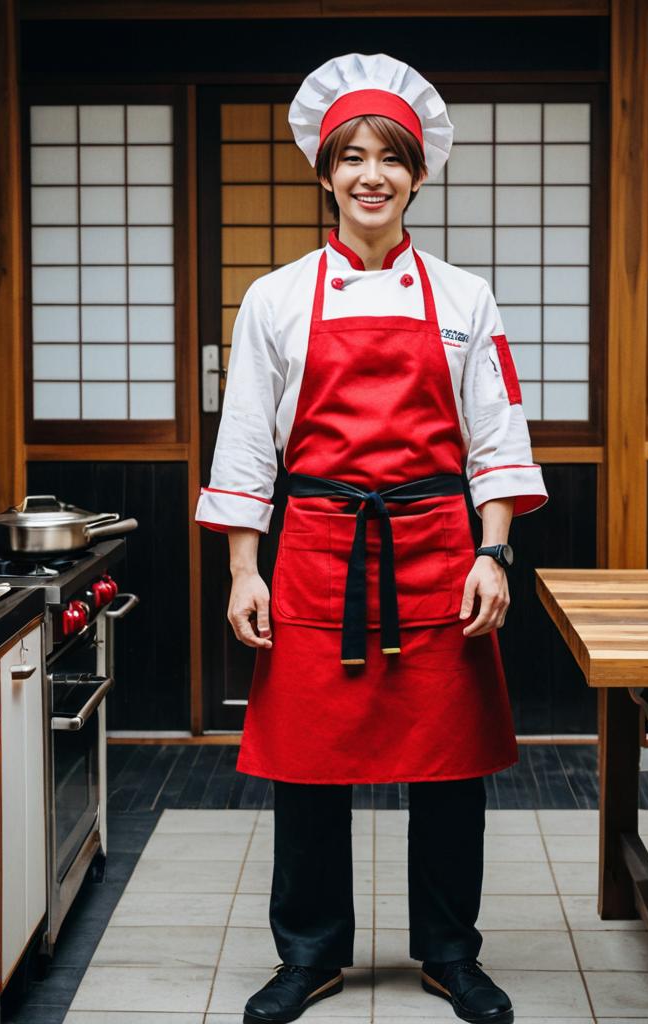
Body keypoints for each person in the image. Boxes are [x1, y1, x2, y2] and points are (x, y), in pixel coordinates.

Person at [195, 52, 548, 1024]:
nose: (369, 175)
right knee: (307, 762)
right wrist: (242, 567)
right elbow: (245, 442)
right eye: (350, 156)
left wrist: (495, 550)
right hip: (316, 544)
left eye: (388, 158)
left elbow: (497, 435)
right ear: (324, 171)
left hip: (439, 546)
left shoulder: (466, 298)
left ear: (418, 174)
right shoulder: (274, 298)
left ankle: (447, 952)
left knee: (450, 762)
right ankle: (309, 954)